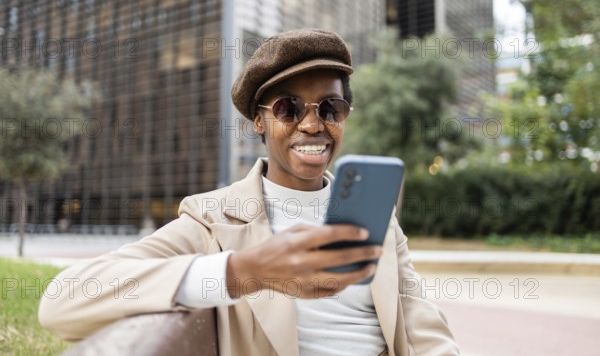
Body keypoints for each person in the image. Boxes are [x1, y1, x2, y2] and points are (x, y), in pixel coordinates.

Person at [39, 29, 459, 355]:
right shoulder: (211, 219)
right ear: (259, 122)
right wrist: (244, 271)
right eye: (288, 109)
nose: (313, 125)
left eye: (330, 108)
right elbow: (63, 301)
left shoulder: (378, 219)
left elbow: (423, 328)